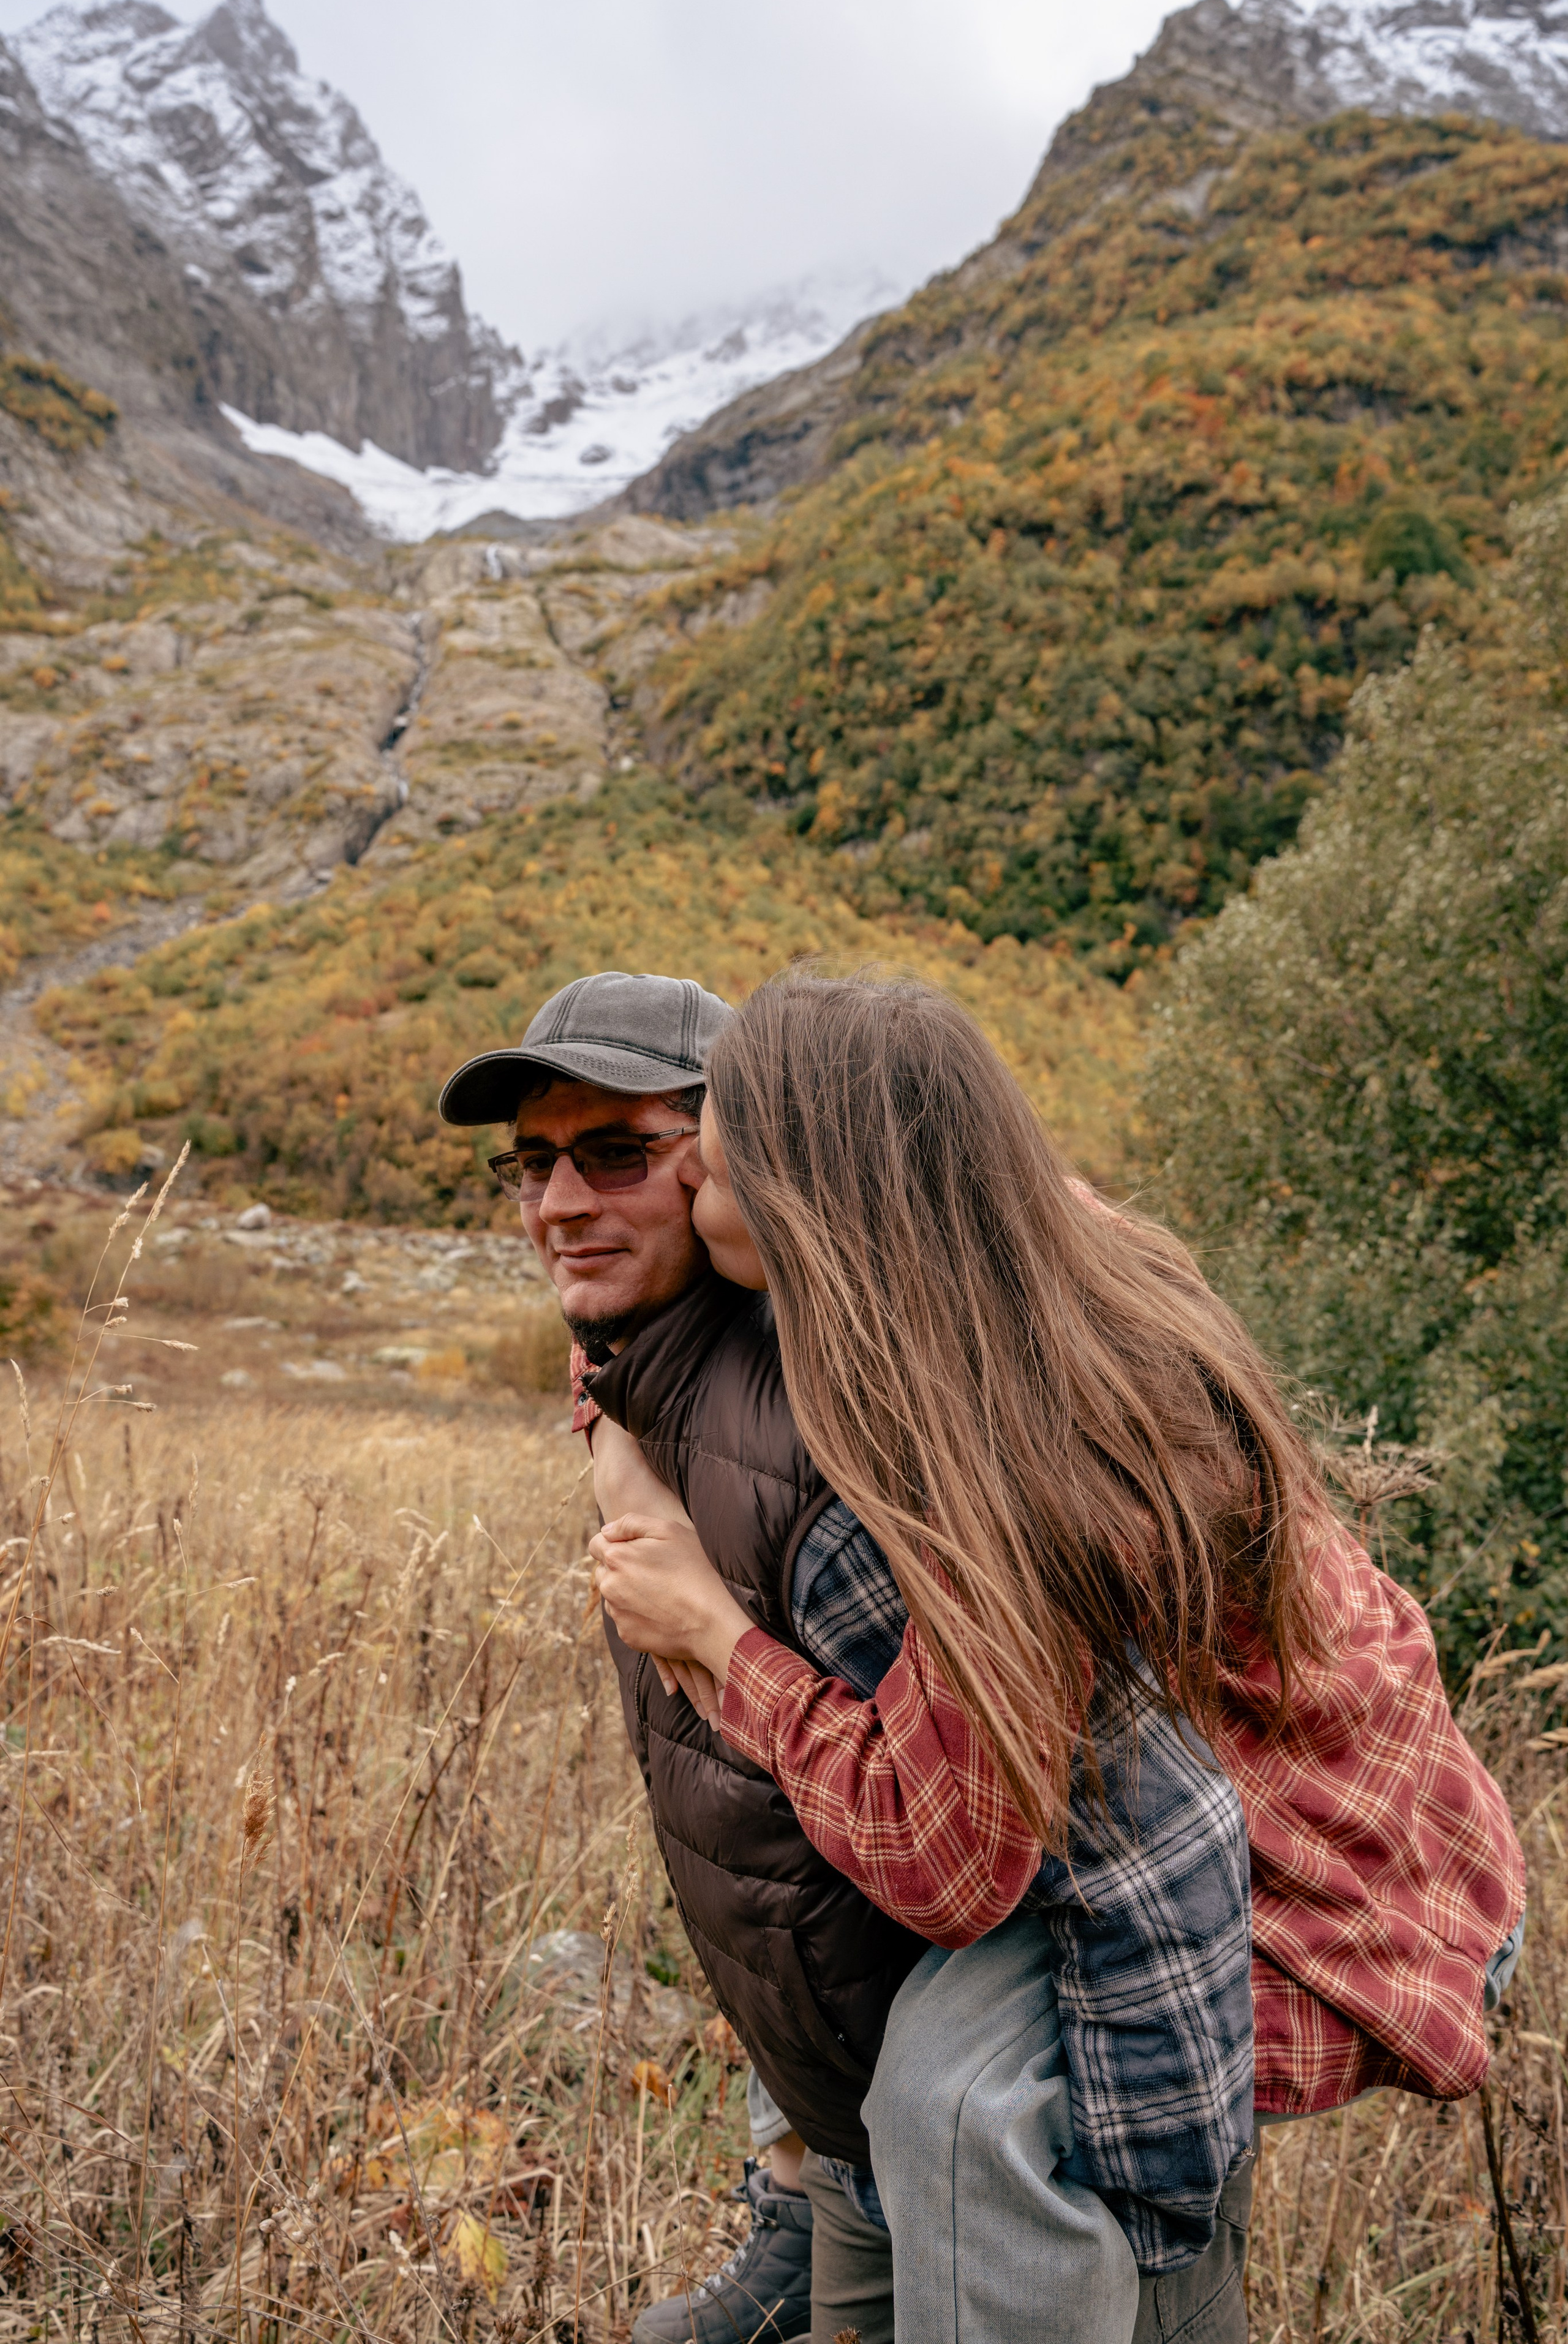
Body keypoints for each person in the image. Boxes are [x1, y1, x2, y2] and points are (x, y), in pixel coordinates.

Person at [589, 968, 1528, 2344]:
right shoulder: (997, 1239)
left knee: (966, 2102)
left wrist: (718, 1647)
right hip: (1296, 1764)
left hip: (1311, 1860)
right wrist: (611, 1392)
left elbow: (950, 1861)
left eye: (710, 1171)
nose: (686, 1196)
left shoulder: (1005, 1463)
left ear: (813, 1205)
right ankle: (833, 2214)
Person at [439, 972, 1258, 2344]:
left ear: (737, 1164)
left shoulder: (855, 1456)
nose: (558, 1204)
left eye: (618, 1154)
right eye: (530, 1165)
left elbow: (950, 1852)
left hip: (1046, 2145)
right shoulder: (654, 1374)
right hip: (867, 2133)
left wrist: (715, 1635)